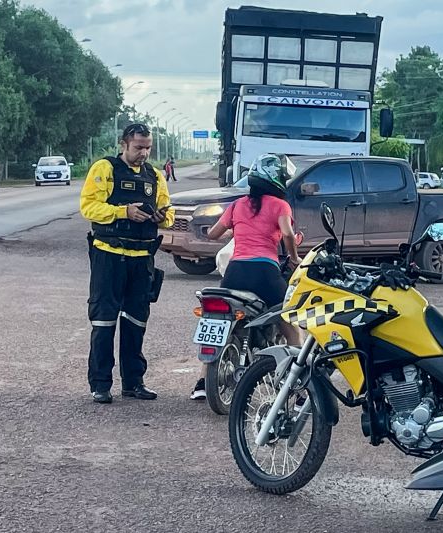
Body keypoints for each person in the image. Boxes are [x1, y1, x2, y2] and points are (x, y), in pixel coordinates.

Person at [190, 153, 301, 400]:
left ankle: (201, 383)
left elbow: (213, 234)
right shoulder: (280, 205)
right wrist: (294, 258)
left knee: (218, 322)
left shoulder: (237, 205)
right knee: (290, 321)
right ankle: (301, 386)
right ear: (278, 180)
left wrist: (238, 231)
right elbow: (288, 235)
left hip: (235, 272)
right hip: (264, 273)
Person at [79, 123, 175, 404]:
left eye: (148, 148)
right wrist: (124, 212)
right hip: (109, 255)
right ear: (124, 144)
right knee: (104, 319)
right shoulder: (105, 169)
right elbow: (88, 207)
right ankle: (100, 384)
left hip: (142, 259)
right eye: (138, 147)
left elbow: (168, 212)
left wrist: (162, 217)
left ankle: (134, 382)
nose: (143, 153)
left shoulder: (155, 176)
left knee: (136, 321)